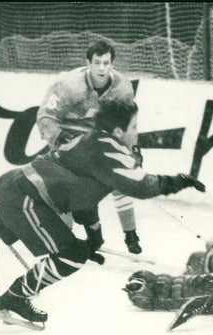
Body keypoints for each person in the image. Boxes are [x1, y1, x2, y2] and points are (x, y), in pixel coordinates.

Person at [0, 97, 206, 328]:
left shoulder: (93, 140)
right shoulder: (108, 148)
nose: (136, 132)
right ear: (119, 132)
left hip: (14, 185)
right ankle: (15, 296)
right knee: (70, 255)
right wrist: (179, 180)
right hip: (24, 197)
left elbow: (83, 197)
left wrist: (94, 237)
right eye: (134, 126)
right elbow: (141, 185)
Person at [35, 40, 144, 255]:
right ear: (88, 63)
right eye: (97, 63)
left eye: (107, 63)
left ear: (113, 64)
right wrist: (60, 139)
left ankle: (131, 235)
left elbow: (125, 125)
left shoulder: (123, 88)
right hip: (66, 131)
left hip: (95, 133)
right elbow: (45, 116)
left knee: (120, 175)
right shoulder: (68, 85)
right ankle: (69, 236)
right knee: (65, 186)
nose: (102, 68)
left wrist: (132, 149)